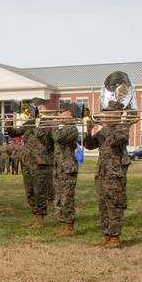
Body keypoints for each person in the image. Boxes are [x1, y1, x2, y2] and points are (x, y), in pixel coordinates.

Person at [83, 103, 132, 248]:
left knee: (113, 204)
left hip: (115, 171)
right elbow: (90, 145)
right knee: (103, 204)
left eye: (108, 113)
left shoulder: (122, 128)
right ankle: (106, 234)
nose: (104, 115)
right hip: (102, 171)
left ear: (117, 114)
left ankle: (115, 237)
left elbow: (113, 141)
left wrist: (105, 125)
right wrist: (88, 131)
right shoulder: (104, 130)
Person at [50, 106, 80, 237]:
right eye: (60, 114)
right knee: (59, 198)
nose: (61, 116)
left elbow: (58, 138)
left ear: (70, 116)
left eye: (63, 114)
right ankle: (63, 225)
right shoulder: (62, 128)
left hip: (68, 168)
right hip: (59, 168)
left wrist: (54, 124)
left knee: (67, 198)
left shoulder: (72, 129)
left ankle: (70, 226)